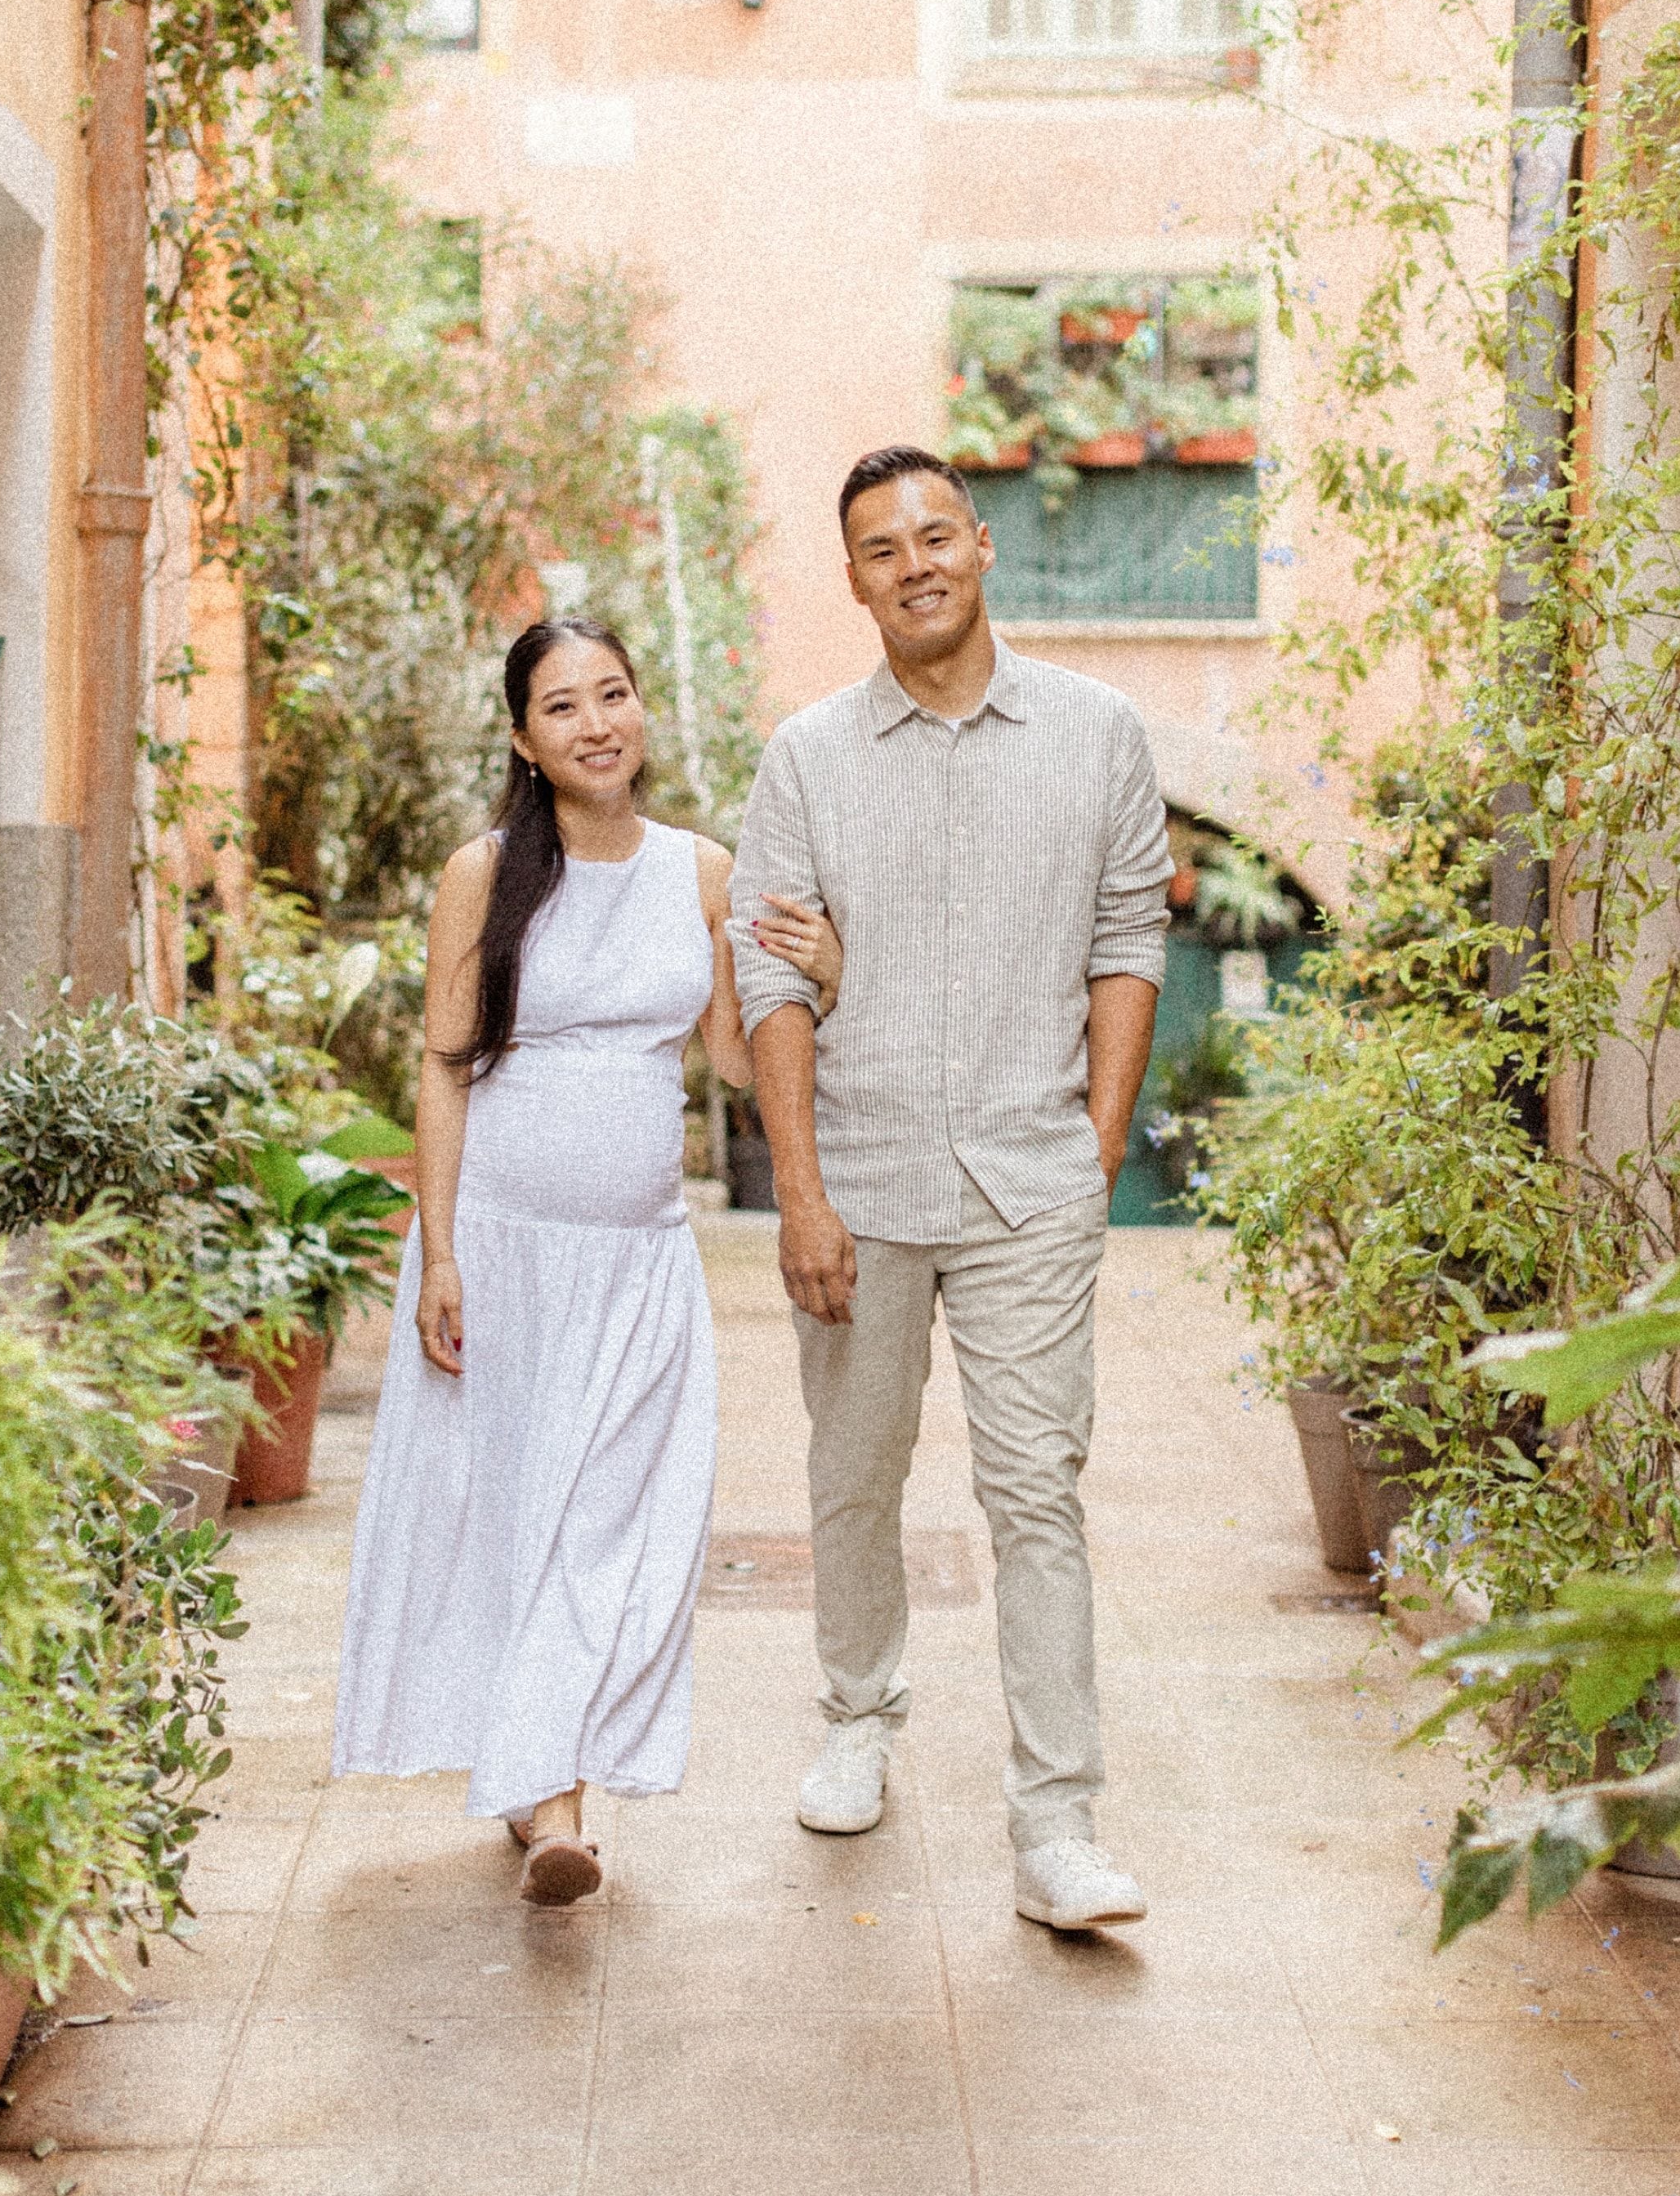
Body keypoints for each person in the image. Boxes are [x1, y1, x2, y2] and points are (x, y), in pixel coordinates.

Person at [731, 447, 1171, 1932]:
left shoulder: (1099, 733)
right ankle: (858, 1715)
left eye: (934, 534)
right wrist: (799, 1190)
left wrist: (1097, 1144)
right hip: (860, 1179)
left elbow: (1129, 938)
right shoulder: (807, 756)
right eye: (880, 547)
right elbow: (770, 979)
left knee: (1034, 1490)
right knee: (854, 1474)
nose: (912, 563)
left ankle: (1059, 1822)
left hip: (1032, 1180)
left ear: (984, 544)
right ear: (854, 580)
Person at [333, 618, 840, 1904]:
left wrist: (821, 980)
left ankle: (545, 1776)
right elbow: (445, 1066)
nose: (596, 723)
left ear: (641, 709)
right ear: (523, 738)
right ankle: (552, 1798)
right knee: (518, 1514)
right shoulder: (483, 873)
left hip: (638, 1261)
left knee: (615, 1517)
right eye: (562, 706)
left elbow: (735, 1062)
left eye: (613, 694)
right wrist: (439, 1252)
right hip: (502, 1252)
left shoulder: (703, 870)